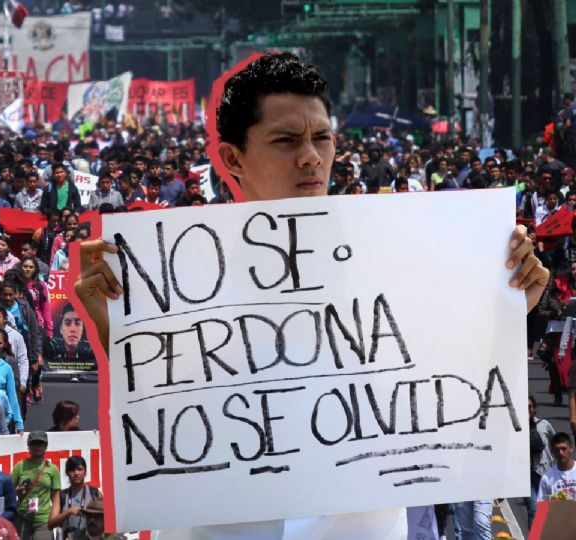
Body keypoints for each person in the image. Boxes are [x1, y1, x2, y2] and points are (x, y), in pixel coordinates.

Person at [73, 52, 550, 539]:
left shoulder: (399, 259)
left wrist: (504, 308)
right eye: (286, 141)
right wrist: (121, 333)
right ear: (234, 157)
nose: (311, 157)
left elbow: (440, 394)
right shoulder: (172, 276)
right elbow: (173, 410)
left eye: (321, 137)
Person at [11, 432, 61, 540]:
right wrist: (18, 491)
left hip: (43, 520)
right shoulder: (20, 466)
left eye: (40, 444)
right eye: (34, 444)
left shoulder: (52, 469)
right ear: (28, 445)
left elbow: (56, 497)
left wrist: (53, 519)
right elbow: (9, 492)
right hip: (22, 518)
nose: (37, 447)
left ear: (46, 446)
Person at [50, 456, 100, 535]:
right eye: (72, 470)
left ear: (85, 472)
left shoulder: (94, 492)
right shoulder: (61, 495)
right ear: (67, 473)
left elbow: (107, 519)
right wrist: (68, 512)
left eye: (79, 469)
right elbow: (51, 524)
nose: (76, 473)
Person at [537, 432, 576, 501]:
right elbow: (541, 508)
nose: (561, 453)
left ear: (571, 448)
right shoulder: (547, 478)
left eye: (564, 449)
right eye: (557, 450)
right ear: (552, 451)